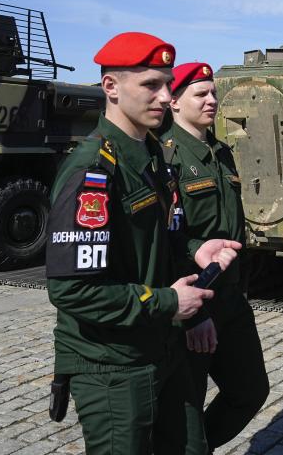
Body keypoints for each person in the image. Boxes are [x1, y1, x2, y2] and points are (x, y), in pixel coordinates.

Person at [45, 33, 242, 455]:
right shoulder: (93, 172)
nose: (164, 96)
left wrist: (195, 250)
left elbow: (160, 239)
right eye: (151, 84)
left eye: (168, 84)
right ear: (111, 88)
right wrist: (169, 304)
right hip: (112, 363)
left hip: (161, 349)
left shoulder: (150, 156)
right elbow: (72, 289)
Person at [165, 61, 269, 452]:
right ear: (174, 102)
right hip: (193, 303)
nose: (212, 101)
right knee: (184, 414)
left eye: (213, 93)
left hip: (230, 298)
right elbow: (168, 242)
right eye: (200, 94)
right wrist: (195, 316)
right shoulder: (166, 157)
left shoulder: (220, 152)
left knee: (250, 390)